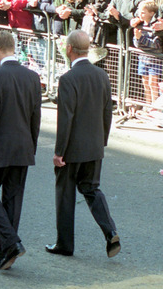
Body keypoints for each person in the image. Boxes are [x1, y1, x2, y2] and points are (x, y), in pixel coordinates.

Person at [47, 30, 120, 259]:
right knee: (91, 189)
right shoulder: (102, 75)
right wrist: (102, 140)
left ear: (69, 49)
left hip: (73, 149)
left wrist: (59, 151)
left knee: (65, 193)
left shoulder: (68, 79)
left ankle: (64, 244)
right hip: (94, 145)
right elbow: (108, 112)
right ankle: (110, 231)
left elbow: (65, 118)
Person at [0, 32, 41, 270]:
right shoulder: (33, 77)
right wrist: (31, 147)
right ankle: (5, 250)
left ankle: (11, 243)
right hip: (23, 146)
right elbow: (36, 117)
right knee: (13, 199)